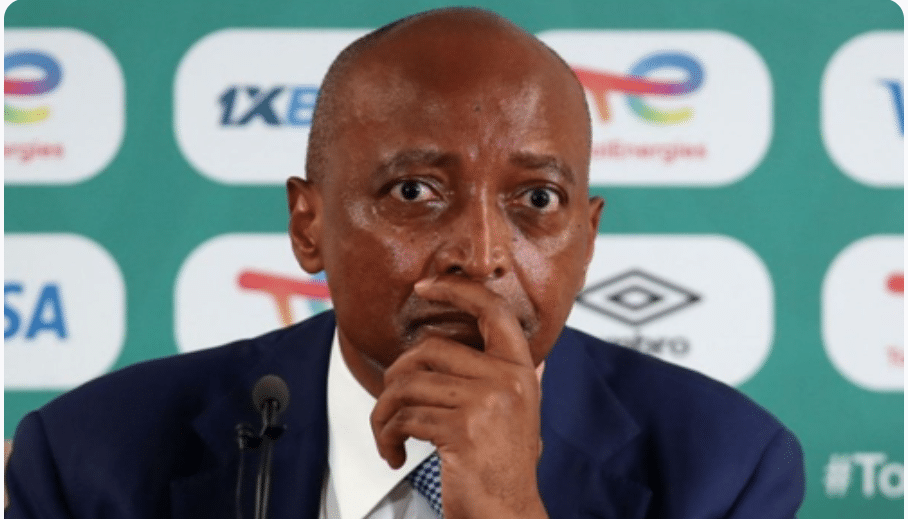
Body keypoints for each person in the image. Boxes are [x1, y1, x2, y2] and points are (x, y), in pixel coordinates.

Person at [5, 7, 805, 519]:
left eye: (537, 199)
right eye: (415, 191)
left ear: (586, 239)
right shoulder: (89, 462)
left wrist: (507, 508)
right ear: (309, 225)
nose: (482, 256)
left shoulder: (724, 471)